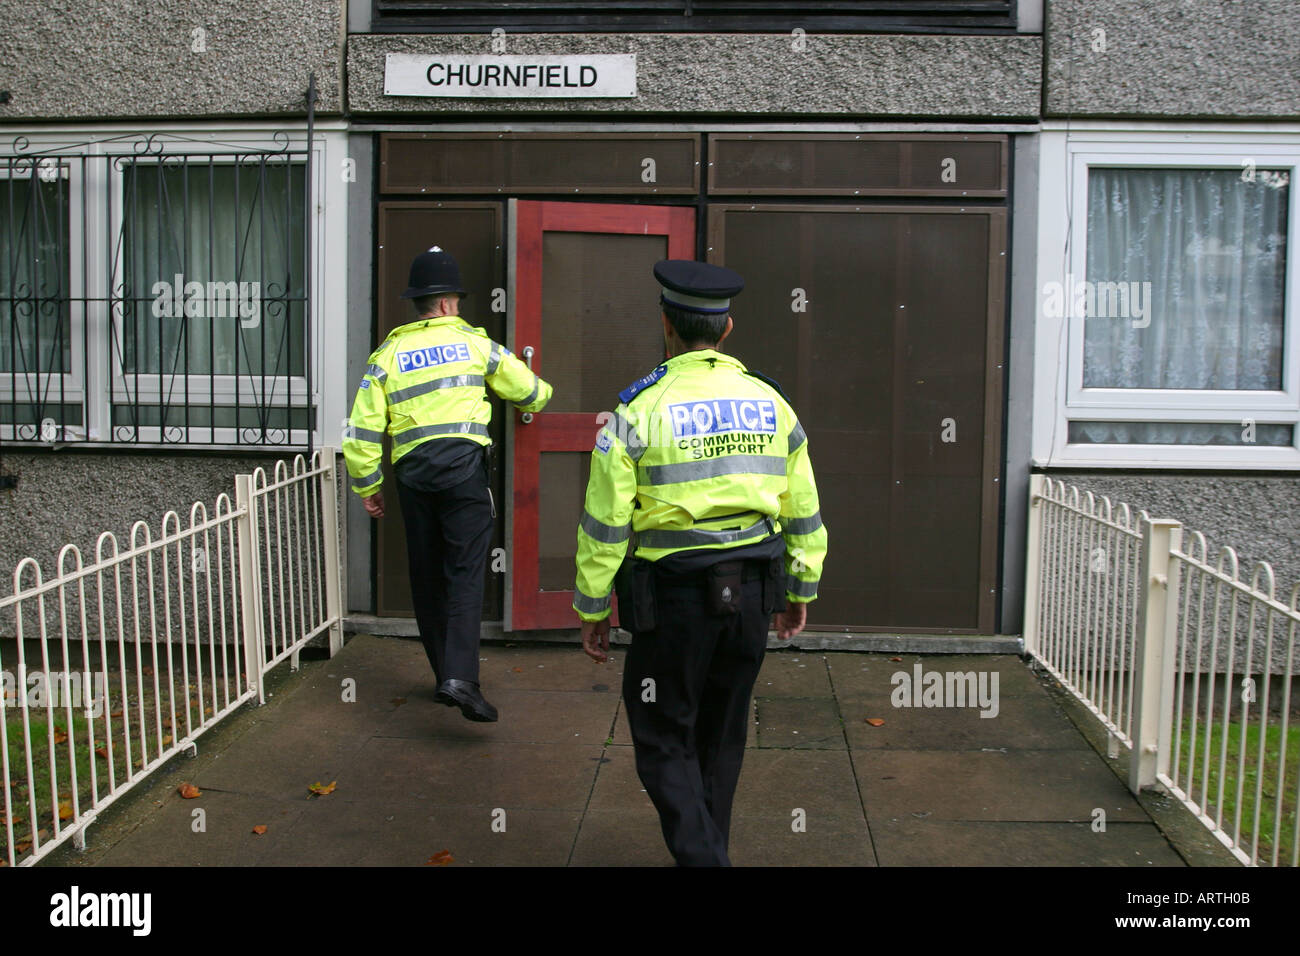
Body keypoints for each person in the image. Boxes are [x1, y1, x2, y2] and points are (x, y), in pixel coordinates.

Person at [573, 259, 828, 865]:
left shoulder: (636, 411)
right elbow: (804, 510)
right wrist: (800, 590)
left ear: (665, 323)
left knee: (663, 734)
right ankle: (712, 853)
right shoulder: (773, 406)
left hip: (676, 600)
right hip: (754, 591)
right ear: (727, 328)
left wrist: (591, 605)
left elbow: (605, 522)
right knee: (721, 737)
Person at [344, 246, 552, 722]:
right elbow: (532, 394)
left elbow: (360, 429)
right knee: (463, 572)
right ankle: (460, 679)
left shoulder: (387, 355)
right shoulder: (476, 344)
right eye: (456, 299)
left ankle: (446, 675)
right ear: (445, 303)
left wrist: (367, 485)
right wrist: (537, 390)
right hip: (463, 473)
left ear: (421, 302)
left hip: (413, 478)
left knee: (426, 573)